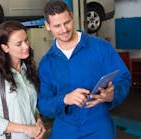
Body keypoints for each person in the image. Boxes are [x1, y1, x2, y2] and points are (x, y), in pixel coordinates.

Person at [37, 1, 131, 139]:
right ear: (47, 26)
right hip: (65, 128)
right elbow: (43, 104)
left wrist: (113, 95)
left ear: (73, 17)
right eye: (57, 26)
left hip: (98, 124)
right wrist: (65, 99)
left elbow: (123, 78)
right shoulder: (46, 63)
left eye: (67, 22)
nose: (64, 29)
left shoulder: (101, 48)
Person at [0, 21, 46, 139]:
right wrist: (26, 129)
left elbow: (30, 107)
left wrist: (38, 120)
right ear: (5, 48)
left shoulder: (27, 71)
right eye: (19, 44)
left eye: (26, 40)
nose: (26, 46)